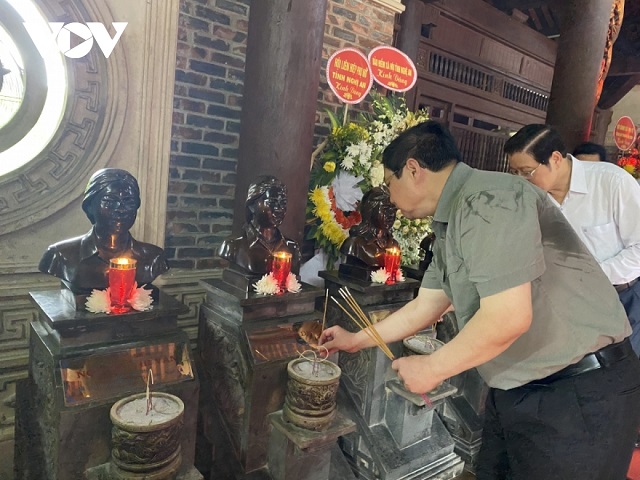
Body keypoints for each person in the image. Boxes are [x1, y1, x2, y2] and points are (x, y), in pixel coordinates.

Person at [320, 120, 640, 480]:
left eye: (388, 183)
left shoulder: (489, 199)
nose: (389, 198)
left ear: (412, 170)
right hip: (523, 390)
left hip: (578, 394)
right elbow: (427, 305)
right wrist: (356, 340)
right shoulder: (452, 217)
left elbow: (508, 318)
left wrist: (433, 368)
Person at [505, 124, 640, 356]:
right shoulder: (529, 199)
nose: (521, 180)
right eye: (514, 172)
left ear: (556, 159)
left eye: (527, 171)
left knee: (623, 369)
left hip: (620, 299)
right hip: (565, 305)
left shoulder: (611, 182)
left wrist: (589, 277)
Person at [39, 168, 169, 294]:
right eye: (109, 201)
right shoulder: (60, 255)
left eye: (129, 201)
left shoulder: (154, 257)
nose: (121, 209)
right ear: (89, 207)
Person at [219, 175, 300, 275]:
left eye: (283, 203)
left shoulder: (291, 247)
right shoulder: (233, 246)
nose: (279, 209)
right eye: (272, 202)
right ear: (252, 205)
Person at [339, 186, 399, 268]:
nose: (391, 214)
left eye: (394, 210)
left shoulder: (394, 245)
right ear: (370, 211)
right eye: (385, 209)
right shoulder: (355, 244)